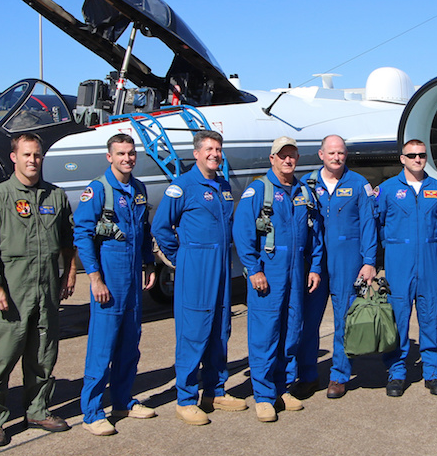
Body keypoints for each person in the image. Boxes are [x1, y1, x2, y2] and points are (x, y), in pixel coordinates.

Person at [0, 132, 76, 447]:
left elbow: (68, 240)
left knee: (43, 355)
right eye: (27, 155)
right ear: (13, 157)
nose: (33, 161)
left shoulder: (54, 197)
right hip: (10, 293)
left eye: (37, 155)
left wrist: (68, 274)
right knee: (1, 358)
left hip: (45, 291)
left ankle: (38, 409)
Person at [151, 130, 245, 425]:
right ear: (196, 153)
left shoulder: (223, 185)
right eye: (209, 149)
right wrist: (183, 259)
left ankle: (215, 391)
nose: (215, 154)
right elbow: (161, 227)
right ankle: (186, 398)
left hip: (220, 269)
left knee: (220, 330)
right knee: (193, 332)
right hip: (196, 270)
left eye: (218, 149)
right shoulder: (182, 187)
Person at [234, 136, 323, 422]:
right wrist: (254, 269)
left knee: (291, 330)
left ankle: (282, 388)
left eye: (292, 155)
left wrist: (315, 267)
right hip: (269, 271)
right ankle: (263, 395)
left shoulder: (303, 192)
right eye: (282, 155)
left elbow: (315, 235)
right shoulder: (258, 190)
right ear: (272, 158)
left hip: (297, 269)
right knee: (265, 333)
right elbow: (243, 233)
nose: (288, 160)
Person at [73, 133, 156, 436]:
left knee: (130, 343)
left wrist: (148, 263)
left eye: (131, 153)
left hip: (133, 274)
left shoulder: (138, 189)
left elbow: (144, 231)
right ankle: (92, 411)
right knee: (102, 345)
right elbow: (81, 235)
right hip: (108, 274)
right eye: (120, 153)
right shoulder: (98, 190)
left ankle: (122, 400)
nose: (127, 158)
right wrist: (94, 278)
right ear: (109, 157)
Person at [296, 135, 377, 400]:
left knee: (344, 319)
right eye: (331, 153)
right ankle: (307, 375)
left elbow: (368, 225)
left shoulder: (358, 184)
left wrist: (369, 262)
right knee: (308, 321)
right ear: (321, 154)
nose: (336, 157)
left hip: (348, 260)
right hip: (314, 263)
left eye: (341, 153)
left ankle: (339, 376)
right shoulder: (307, 184)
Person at [374, 139, 437, 397]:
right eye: (412, 155)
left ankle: (432, 373)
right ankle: (396, 372)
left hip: (429, 261)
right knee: (398, 320)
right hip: (398, 261)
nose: (417, 159)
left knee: (431, 316)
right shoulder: (386, 190)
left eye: (421, 155)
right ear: (402, 159)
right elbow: (379, 224)